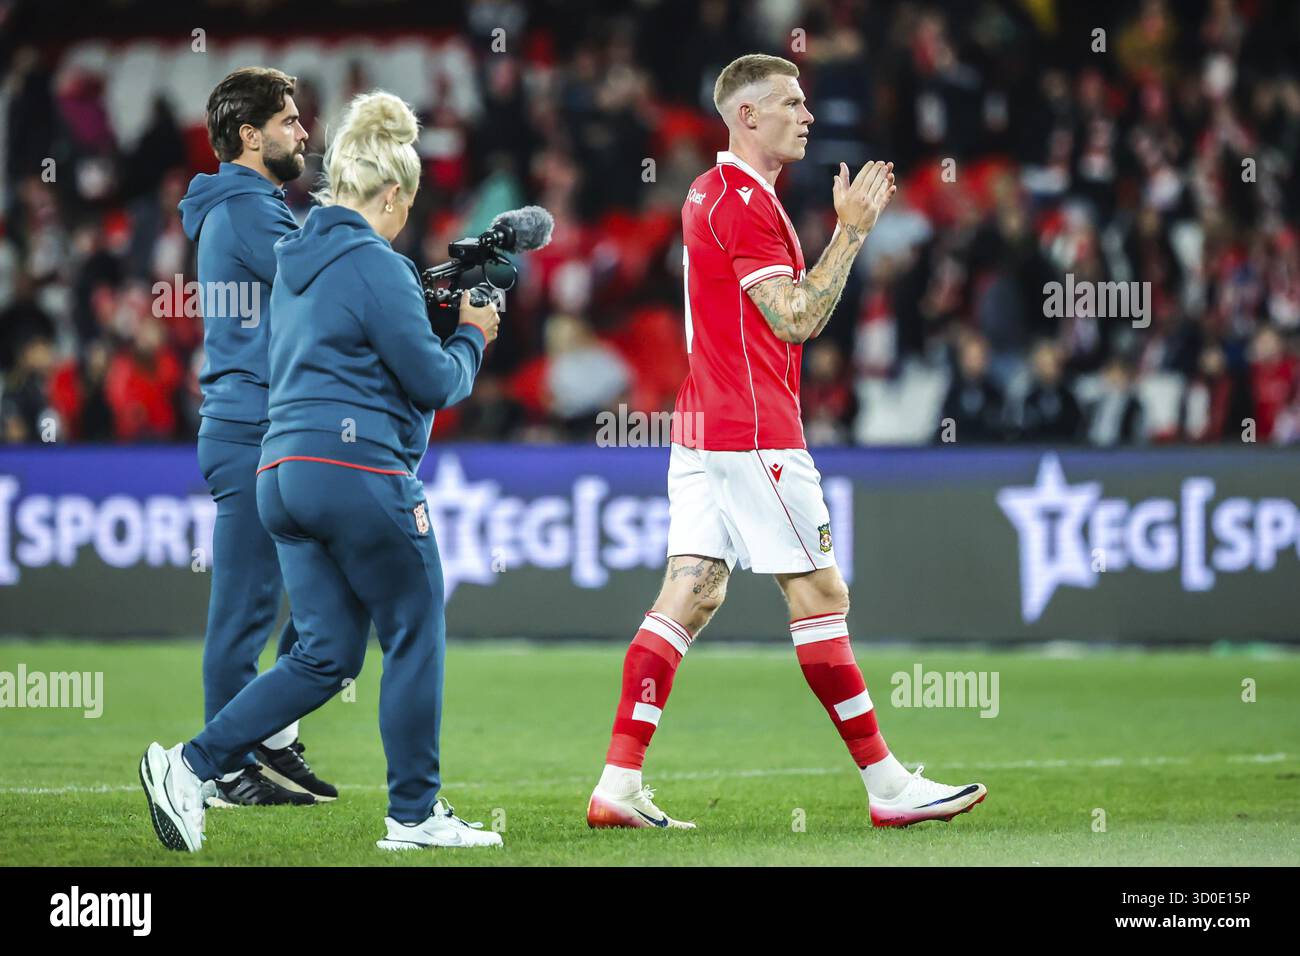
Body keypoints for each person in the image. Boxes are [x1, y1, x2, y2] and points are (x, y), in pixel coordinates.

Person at [586, 54, 987, 830]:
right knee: (820, 594)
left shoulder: (718, 192)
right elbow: (796, 316)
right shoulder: (741, 202)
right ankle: (888, 785)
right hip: (750, 428)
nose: (807, 115)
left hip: (704, 420)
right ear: (746, 116)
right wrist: (851, 236)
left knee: (693, 590)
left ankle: (619, 782)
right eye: (791, 104)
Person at [140, 90, 504, 851]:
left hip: (282, 471)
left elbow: (342, 346)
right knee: (414, 627)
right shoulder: (377, 264)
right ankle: (414, 814)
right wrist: (472, 333)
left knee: (325, 653)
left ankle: (191, 764)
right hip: (354, 470)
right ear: (394, 193)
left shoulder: (298, 258)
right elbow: (435, 382)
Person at [177, 68, 328, 806]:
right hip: (251, 429)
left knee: (332, 589)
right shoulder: (244, 208)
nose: (303, 133)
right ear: (250, 135)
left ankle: (268, 730)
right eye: (290, 121)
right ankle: (224, 768)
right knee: (243, 609)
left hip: (271, 425)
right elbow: (322, 283)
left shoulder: (251, 205)